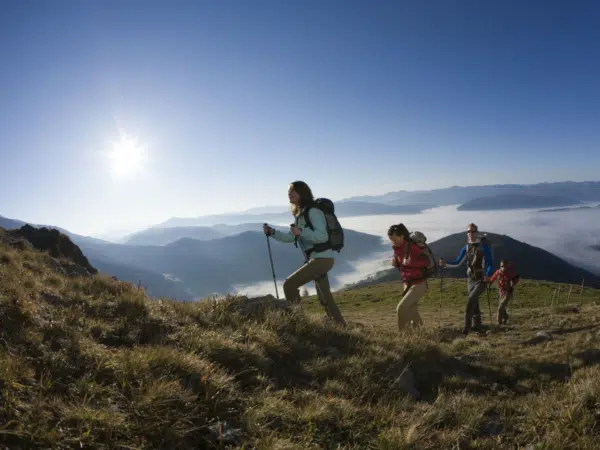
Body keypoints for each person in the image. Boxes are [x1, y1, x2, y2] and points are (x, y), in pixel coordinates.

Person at [263, 181, 346, 326]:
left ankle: (298, 322)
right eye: (288, 191)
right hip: (317, 258)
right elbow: (291, 237)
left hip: (322, 258)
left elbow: (323, 236)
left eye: (292, 191)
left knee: (289, 285)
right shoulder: (301, 214)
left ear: (302, 193)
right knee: (324, 296)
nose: (289, 194)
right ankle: (339, 325)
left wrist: (301, 232)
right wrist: (273, 233)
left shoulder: (313, 211)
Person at [439, 223, 493, 335]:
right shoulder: (467, 247)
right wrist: (445, 264)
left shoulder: (483, 248)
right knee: (475, 301)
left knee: (471, 299)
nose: (470, 234)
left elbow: (490, 263)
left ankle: (466, 328)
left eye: (473, 231)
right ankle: (477, 325)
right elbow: (458, 262)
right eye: (468, 231)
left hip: (481, 279)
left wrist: (488, 275)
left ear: (476, 233)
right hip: (470, 279)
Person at [388, 223, 432, 332]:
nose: (393, 242)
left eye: (395, 239)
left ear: (402, 236)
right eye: (391, 240)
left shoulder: (411, 246)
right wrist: (395, 263)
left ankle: (404, 337)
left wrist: (411, 262)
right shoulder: (397, 248)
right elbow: (402, 264)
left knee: (401, 308)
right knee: (412, 311)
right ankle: (420, 334)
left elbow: (427, 262)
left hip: (419, 284)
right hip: (407, 283)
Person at [488, 260, 520, 325]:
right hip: (501, 292)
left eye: (504, 266)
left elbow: (517, 278)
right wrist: (489, 283)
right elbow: (492, 278)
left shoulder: (510, 272)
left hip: (508, 292)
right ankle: (505, 317)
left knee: (500, 308)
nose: (503, 267)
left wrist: (512, 284)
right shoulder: (498, 272)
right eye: (502, 266)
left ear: (507, 265)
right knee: (502, 307)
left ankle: (499, 323)